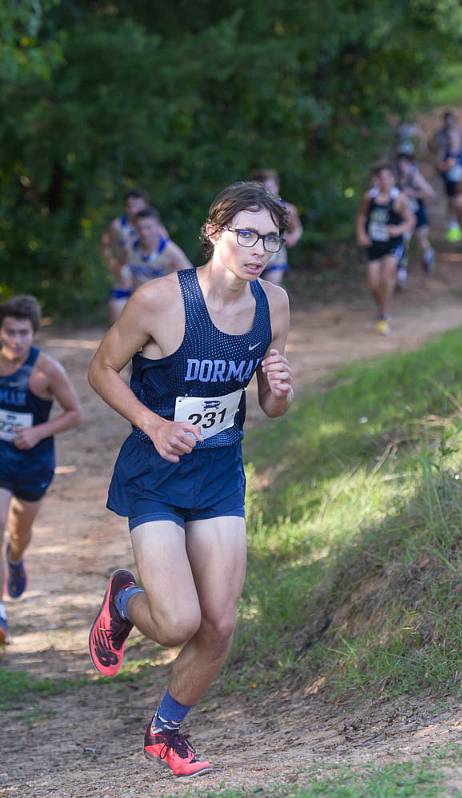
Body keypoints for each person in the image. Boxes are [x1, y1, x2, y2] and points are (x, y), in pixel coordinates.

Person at [86, 181, 294, 779]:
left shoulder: (274, 304)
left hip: (220, 474)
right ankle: (124, 600)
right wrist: (151, 423)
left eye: (270, 239)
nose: (258, 249)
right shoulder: (158, 300)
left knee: (220, 623)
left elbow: (271, 405)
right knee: (177, 621)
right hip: (157, 473)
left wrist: (278, 391)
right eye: (245, 235)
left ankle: (166, 730)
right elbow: (101, 368)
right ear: (213, 233)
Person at [0, 296, 84, 645]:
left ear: (33, 333)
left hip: (33, 462)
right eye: (10, 332)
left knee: (17, 532)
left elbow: (75, 413)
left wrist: (37, 432)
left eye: (24, 333)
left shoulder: (47, 371)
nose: (16, 340)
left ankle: (17, 557)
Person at [356, 164, 415, 335]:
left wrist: (398, 229)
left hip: (392, 244)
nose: (384, 181)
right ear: (377, 180)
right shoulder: (370, 197)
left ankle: (383, 315)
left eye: (388, 177)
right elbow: (361, 216)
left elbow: (410, 220)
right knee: (373, 284)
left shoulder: (399, 199)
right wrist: (361, 234)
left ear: (393, 179)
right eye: (381, 178)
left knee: (386, 277)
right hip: (374, 245)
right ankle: (382, 307)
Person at [100, 189, 151, 322]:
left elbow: (164, 248)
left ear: (145, 205)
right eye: (129, 205)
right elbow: (104, 247)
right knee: (117, 317)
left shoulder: (151, 225)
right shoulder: (117, 225)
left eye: (136, 205)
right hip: (124, 275)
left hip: (146, 276)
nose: (133, 209)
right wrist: (113, 266)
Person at [249, 169, 303, 286]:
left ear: (277, 187)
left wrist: (293, 237)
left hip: (276, 254)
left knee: (271, 288)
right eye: (262, 189)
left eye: (270, 188)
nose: (267, 192)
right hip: (251, 252)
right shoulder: (247, 209)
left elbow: (297, 228)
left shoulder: (287, 209)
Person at [126, 208, 194, 291]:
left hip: (163, 299)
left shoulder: (171, 251)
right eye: (140, 228)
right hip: (138, 297)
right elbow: (119, 264)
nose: (144, 232)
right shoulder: (130, 247)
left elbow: (192, 279)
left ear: (158, 227)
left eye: (148, 227)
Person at [395, 152, 437, 283]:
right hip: (403, 216)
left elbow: (430, 193)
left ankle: (428, 255)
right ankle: (401, 272)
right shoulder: (395, 178)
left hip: (418, 213)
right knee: (403, 242)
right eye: (400, 163)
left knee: (421, 239)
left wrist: (413, 193)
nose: (402, 166)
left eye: (405, 163)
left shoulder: (414, 176)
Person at [432, 111, 462, 244]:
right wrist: (445, 165)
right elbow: (437, 167)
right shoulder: (444, 151)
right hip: (449, 183)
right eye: (449, 138)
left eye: (454, 137)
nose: (451, 140)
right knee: (452, 206)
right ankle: (458, 232)